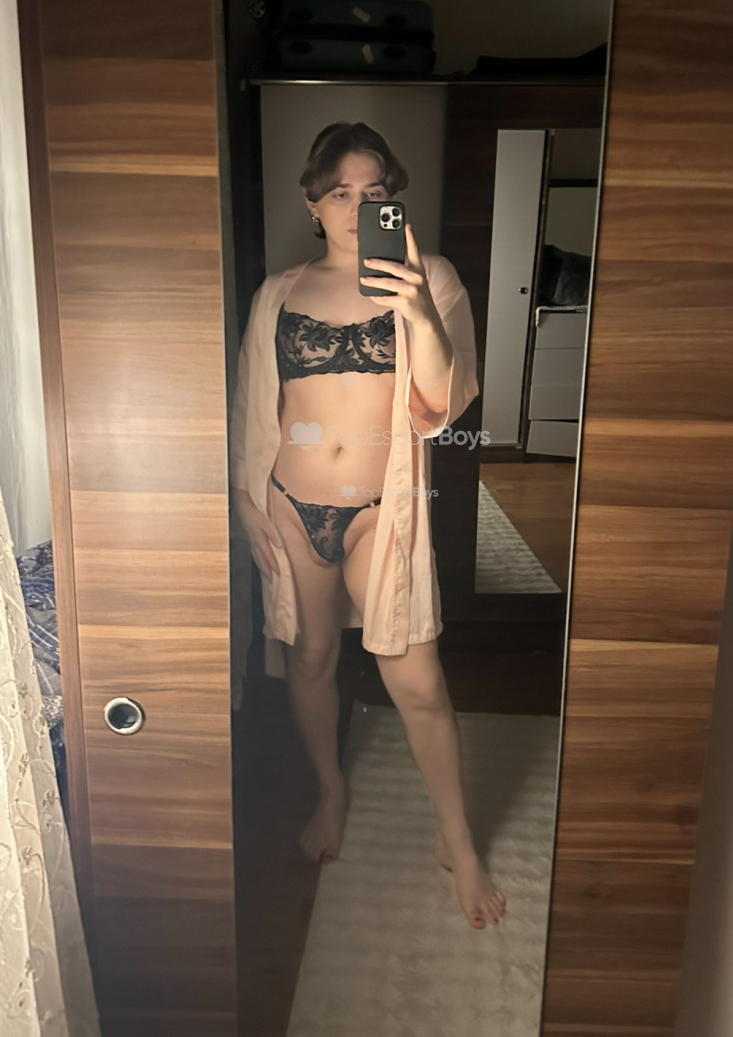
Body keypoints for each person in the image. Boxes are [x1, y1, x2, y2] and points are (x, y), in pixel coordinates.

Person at [231, 121, 506, 930]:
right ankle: (332, 791)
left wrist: (416, 308)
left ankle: (457, 838)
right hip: (291, 502)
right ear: (312, 202)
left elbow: (445, 405)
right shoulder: (278, 293)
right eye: (342, 193)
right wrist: (245, 502)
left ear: (394, 201)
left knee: (415, 677)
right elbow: (253, 405)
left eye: (375, 193)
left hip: (381, 508)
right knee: (311, 657)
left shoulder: (432, 278)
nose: (358, 208)